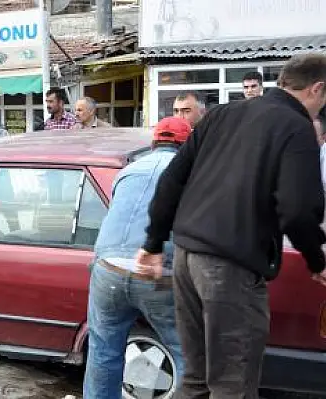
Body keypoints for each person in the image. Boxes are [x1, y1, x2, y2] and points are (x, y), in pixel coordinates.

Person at [136, 53, 326, 399]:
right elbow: (298, 210)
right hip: (230, 270)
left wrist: (152, 244)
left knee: (196, 380)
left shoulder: (223, 113)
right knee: (231, 386)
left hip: (186, 258)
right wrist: (317, 259)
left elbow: (171, 182)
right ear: (317, 89)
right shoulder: (296, 127)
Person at [83, 117, 191, 399]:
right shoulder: (192, 172)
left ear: (153, 143)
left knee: (103, 352)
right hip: (158, 272)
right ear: (187, 145)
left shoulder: (128, 171)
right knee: (190, 359)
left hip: (108, 269)